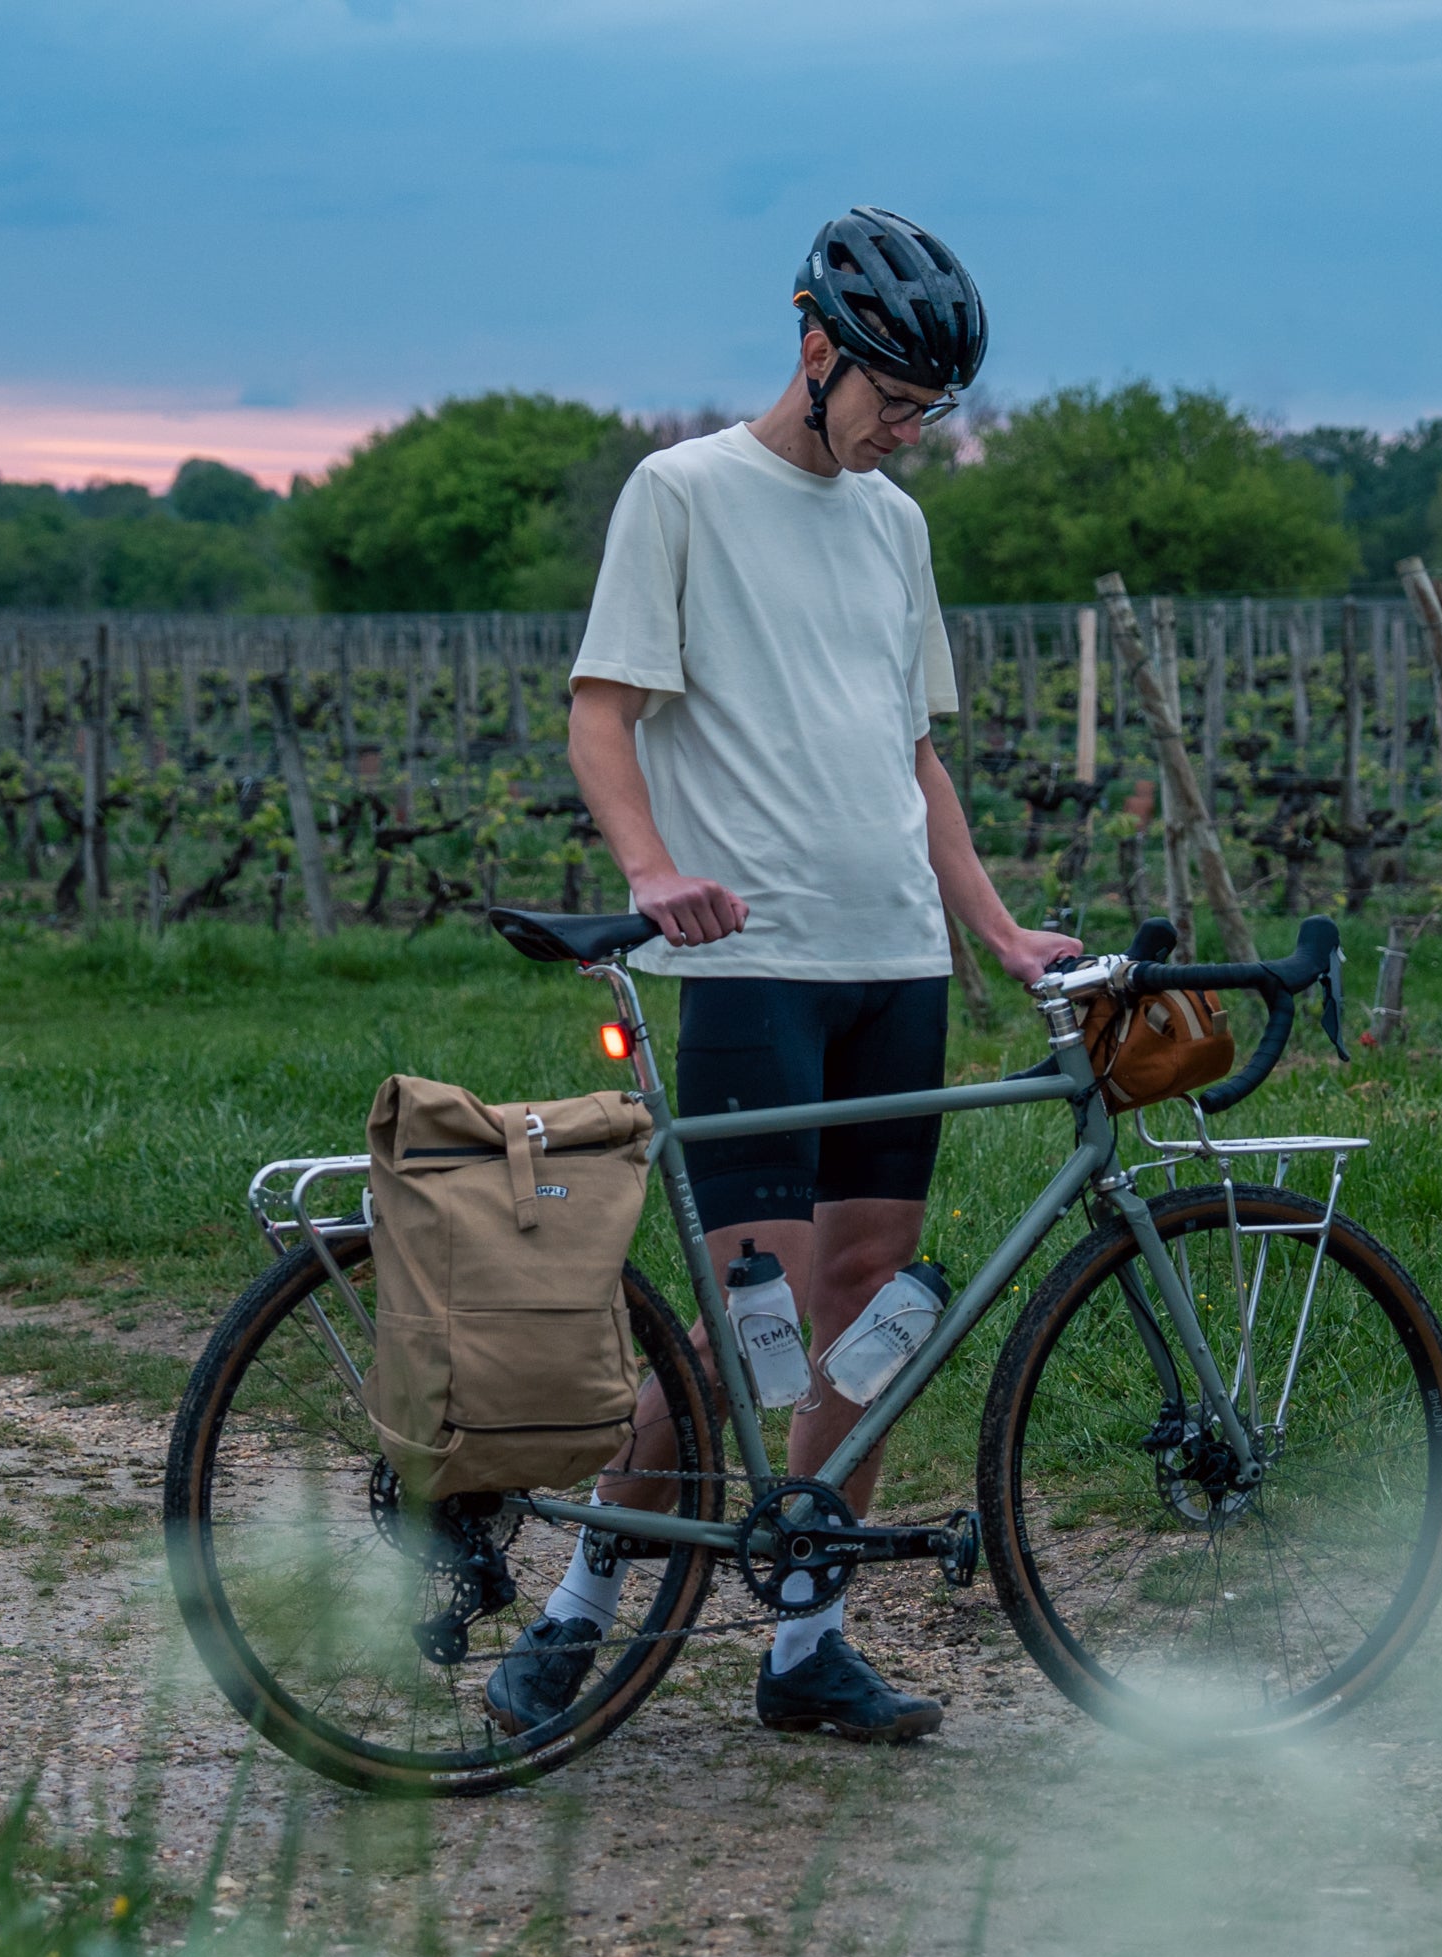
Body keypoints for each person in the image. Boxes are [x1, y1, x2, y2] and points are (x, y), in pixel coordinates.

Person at [487, 204, 1081, 1744]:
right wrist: (647, 873)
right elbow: (600, 715)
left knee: (870, 1300)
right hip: (751, 961)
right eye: (891, 396)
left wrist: (1000, 934)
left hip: (896, 956)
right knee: (745, 1318)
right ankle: (579, 1611)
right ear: (815, 346)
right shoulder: (680, 491)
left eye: (930, 409)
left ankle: (806, 1641)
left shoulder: (896, 526)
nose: (907, 430)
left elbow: (915, 757)